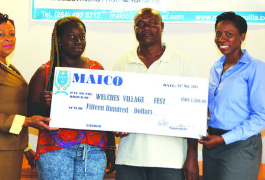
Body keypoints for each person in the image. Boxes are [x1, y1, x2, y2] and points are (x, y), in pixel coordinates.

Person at [0, 13, 58, 180]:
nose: (9, 39)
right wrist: (28, 121)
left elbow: (11, 107)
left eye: (12, 34)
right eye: (1, 34)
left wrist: (25, 147)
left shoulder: (5, 65)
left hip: (8, 148)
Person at [113, 8, 199, 180]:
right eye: (140, 24)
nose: (146, 28)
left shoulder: (181, 62)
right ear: (134, 29)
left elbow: (193, 114)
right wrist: (114, 126)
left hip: (170, 160)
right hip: (129, 158)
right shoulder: (122, 62)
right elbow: (113, 108)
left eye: (151, 23)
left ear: (162, 26)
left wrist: (192, 157)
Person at [28, 16, 115, 180]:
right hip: (55, 151)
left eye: (82, 37)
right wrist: (46, 105)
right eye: (72, 37)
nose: (78, 41)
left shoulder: (96, 69)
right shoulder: (45, 72)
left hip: (93, 151)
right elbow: (30, 113)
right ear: (59, 40)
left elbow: (106, 111)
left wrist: (111, 147)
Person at [198, 11, 265, 180]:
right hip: (212, 142)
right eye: (218, 34)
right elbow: (212, 107)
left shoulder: (255, 68)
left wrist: (224, 139)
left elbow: (261, 116)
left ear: (242, 36)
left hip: (241, 145)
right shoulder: (216, 67)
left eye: (229, 34)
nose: (222, 38)